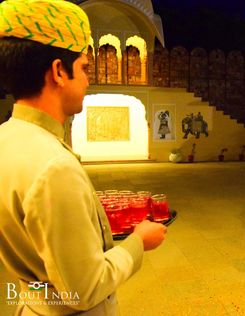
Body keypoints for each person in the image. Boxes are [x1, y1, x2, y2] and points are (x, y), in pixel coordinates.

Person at [0, 1, 167, 314]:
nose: (90, 79)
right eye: (85, 68)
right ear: (59, 71)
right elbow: (84, 289)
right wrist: (137, 242)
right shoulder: (53, 166)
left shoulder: (6, 140)